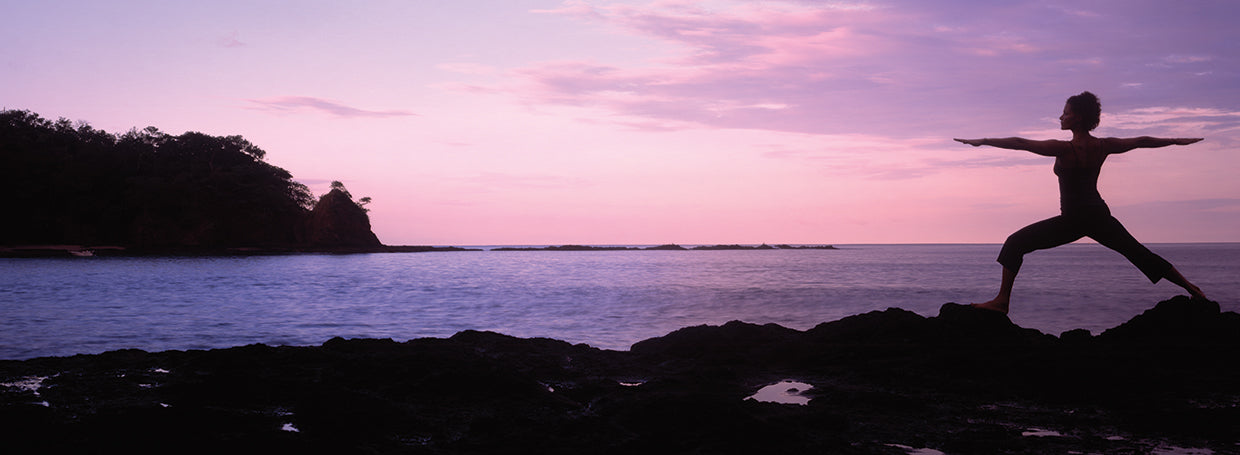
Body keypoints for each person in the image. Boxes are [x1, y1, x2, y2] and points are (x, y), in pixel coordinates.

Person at [955, 91, 1207, 314]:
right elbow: (1141, 141)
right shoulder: (1104, 146)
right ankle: (1192, 288)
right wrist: (1175, 140)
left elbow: (1020, 144)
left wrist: (983, 141)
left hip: (1074, 219)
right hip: (1098, 215)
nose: (1060, 117)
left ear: (1076, 117)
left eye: (1064, 113)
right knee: (1139, 253)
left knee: (1014, 243)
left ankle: (1002, 301)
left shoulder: (1063, 148)